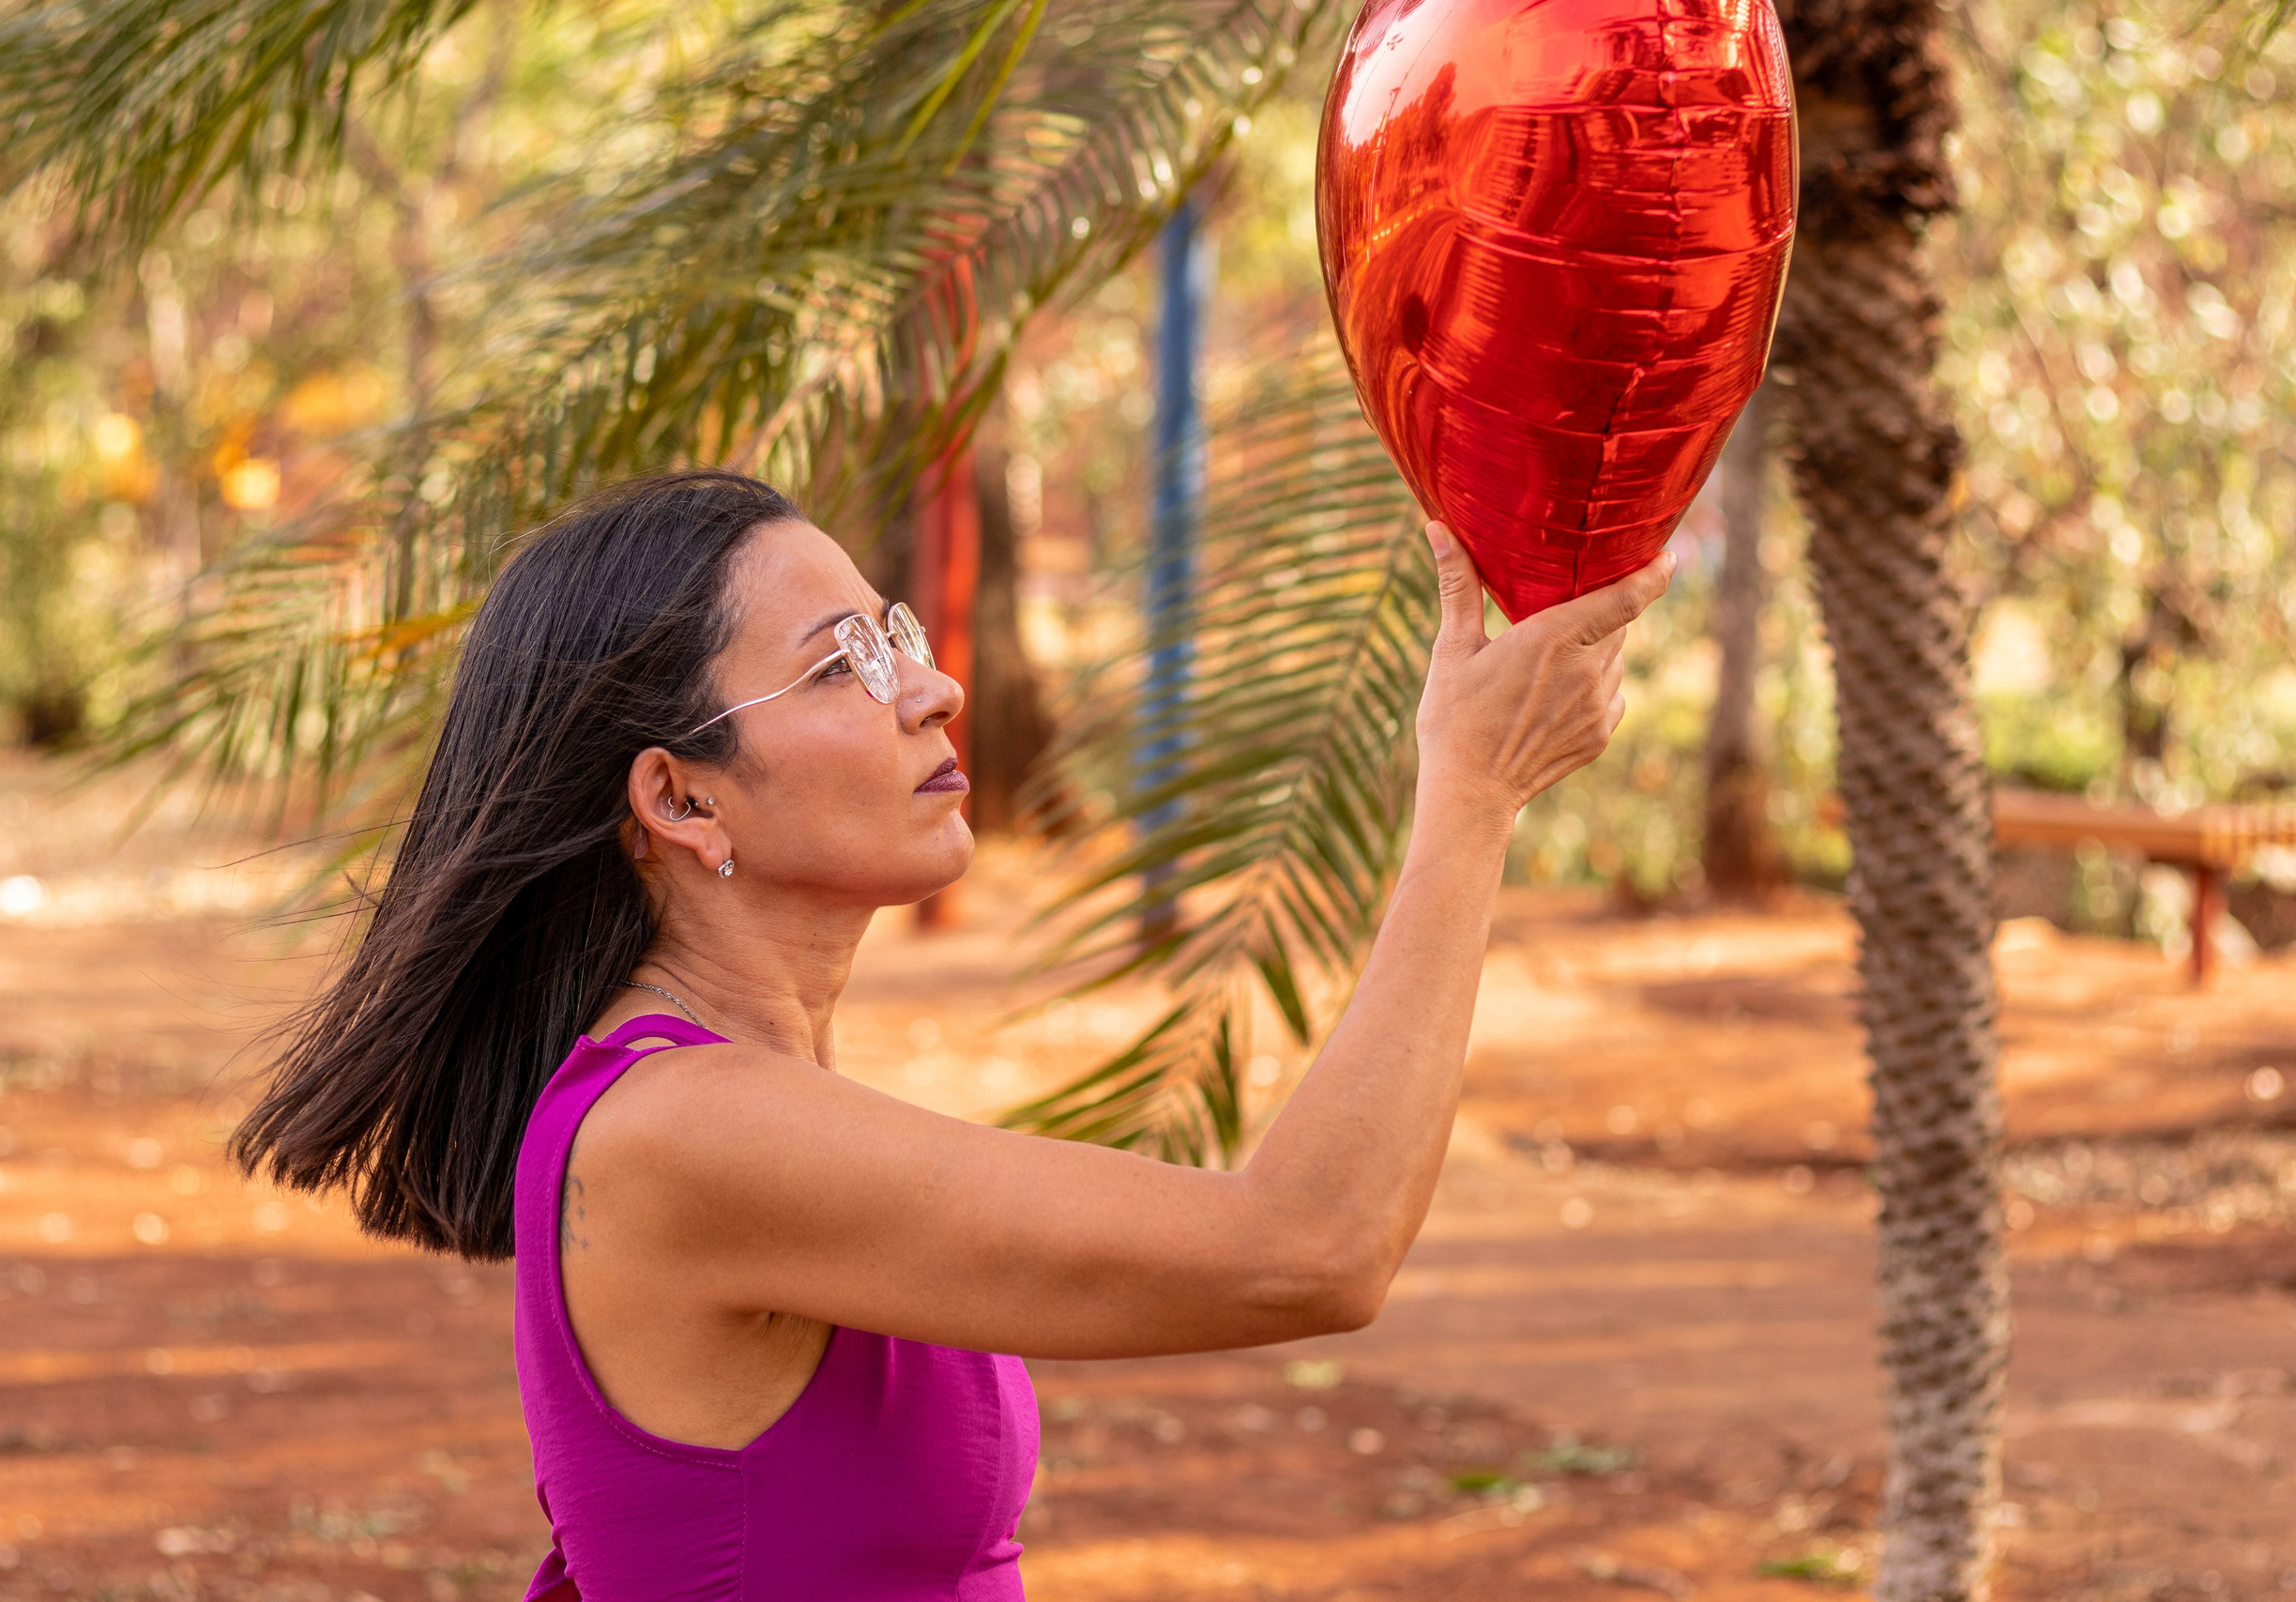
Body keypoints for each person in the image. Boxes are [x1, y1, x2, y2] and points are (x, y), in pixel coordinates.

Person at [229, 468, 1671, 1601]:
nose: (932, 685)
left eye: (896, 634)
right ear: (681, 800)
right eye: (843, 664)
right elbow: (1308, 1248)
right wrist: (1471, 796)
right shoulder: (685, 1133)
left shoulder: (732, 1102)